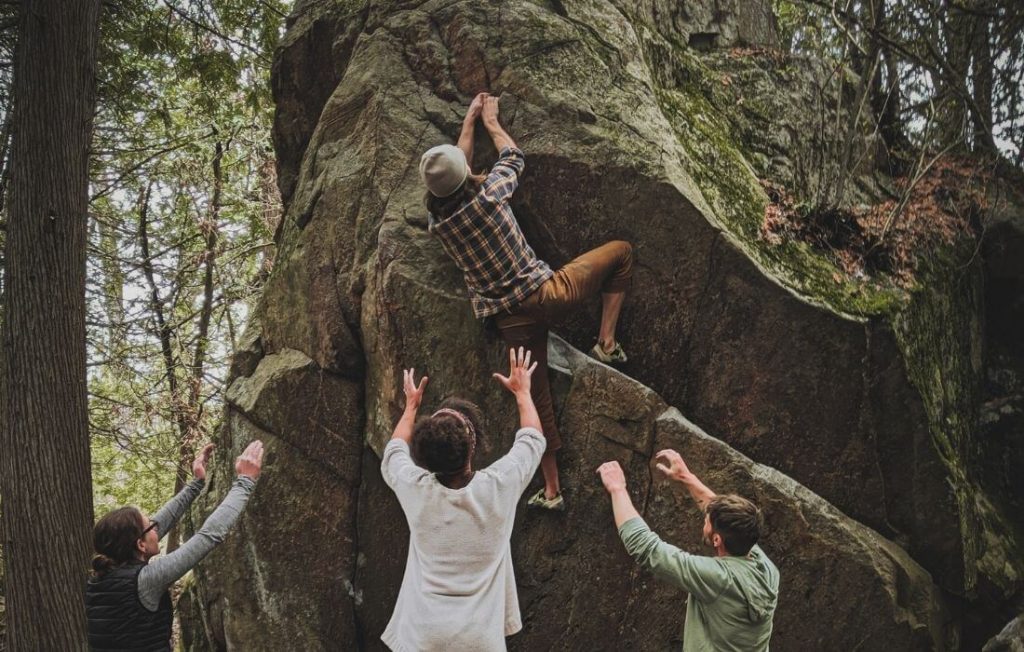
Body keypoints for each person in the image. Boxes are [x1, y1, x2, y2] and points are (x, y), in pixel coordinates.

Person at [420, 92, 634, 510]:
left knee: (535, 400)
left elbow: (457, 173)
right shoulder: (490, 196)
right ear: (466, 175)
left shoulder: (439, 224)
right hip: (547, 294)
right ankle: (606, 343)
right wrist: (491, 122)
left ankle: (553, 490)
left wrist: (468, 123)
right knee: (622, 252)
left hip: (509, 319)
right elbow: (513, 157)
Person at [380, 347, 546, 651]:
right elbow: (533, 440)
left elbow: (393, 454)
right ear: (473, 449)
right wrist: (522, 393)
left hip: (422, 633)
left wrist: (410, 407)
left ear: (424, 457)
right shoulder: (498, 487)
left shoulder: (415, 489)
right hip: (480, 637)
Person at [85, 440, 264, 652]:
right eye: (150, 527)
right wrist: (245, 481)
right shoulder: (145, 581)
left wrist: (196, 483)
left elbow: (158, 524)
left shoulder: (101, 579)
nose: (156, 528)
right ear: (140, 545)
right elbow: (208, 536)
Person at [597, 450, 779, 652]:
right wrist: (686, 477)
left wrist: (617, 489)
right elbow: (724, 517)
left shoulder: (718, 579)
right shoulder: (767, 569)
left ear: (717, 539)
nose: (704, 520)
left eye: (707, 522)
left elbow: (646, 548)